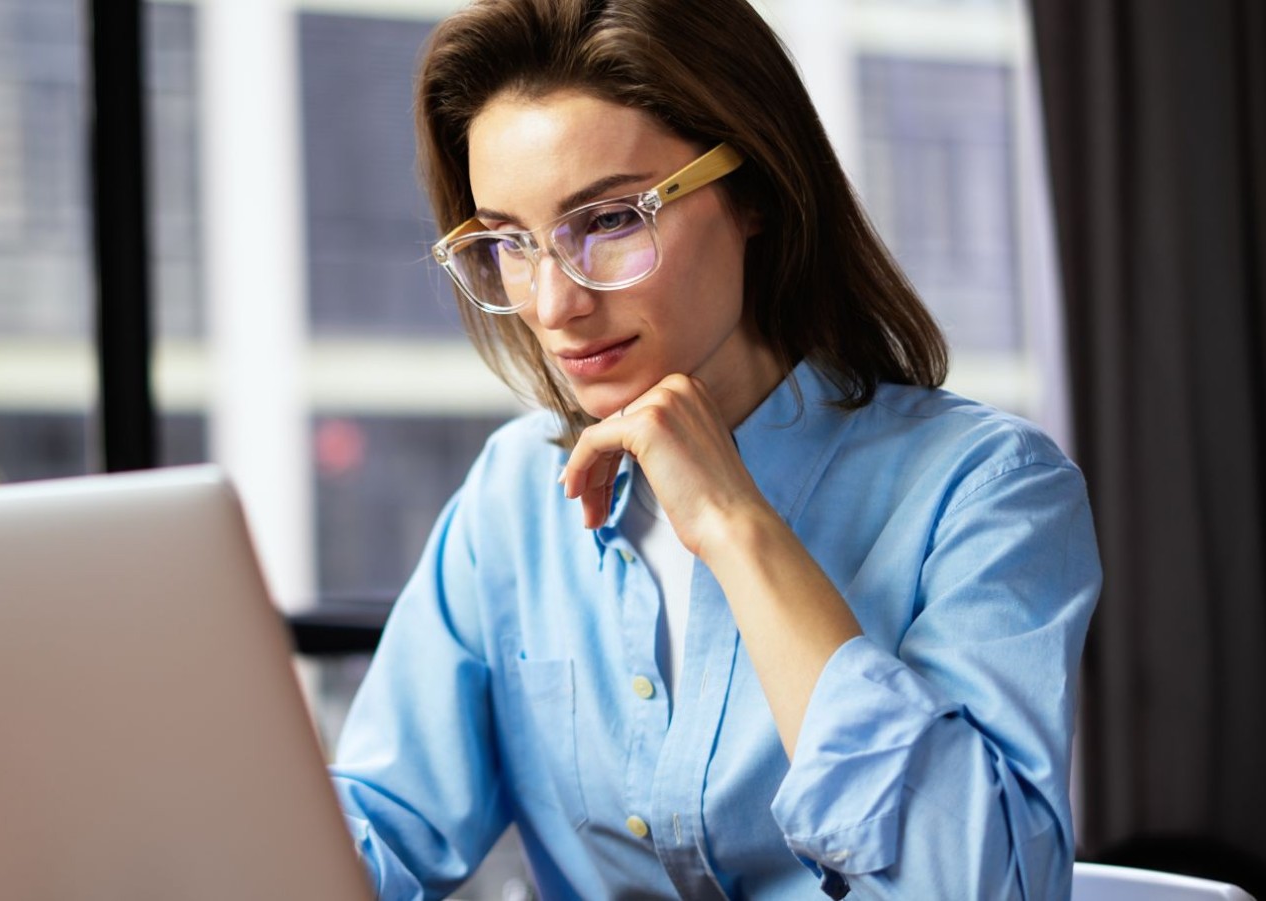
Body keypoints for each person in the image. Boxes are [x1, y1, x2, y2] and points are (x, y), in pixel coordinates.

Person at [327, 0, 1102, 898]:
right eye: (509, 242)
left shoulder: (983, 489)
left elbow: (976, 886)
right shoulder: (514, 491)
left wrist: (736, 526)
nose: (553, 305)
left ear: (757, 192)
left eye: (611, 221)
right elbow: (381, 832)